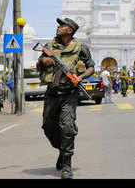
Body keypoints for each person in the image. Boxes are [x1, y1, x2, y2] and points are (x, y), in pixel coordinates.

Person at [36, 17, 95, 179]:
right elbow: (39, 64)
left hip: (69, 94)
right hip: (52, 93)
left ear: (70, 30)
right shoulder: (49, 46)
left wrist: (81, 77)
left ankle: (67, 164)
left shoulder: (81, 47)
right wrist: (45, 61)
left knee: (67, 127)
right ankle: (62, 150)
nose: (58, 27)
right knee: (48, 127)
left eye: (62, 25)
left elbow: (91, 66)